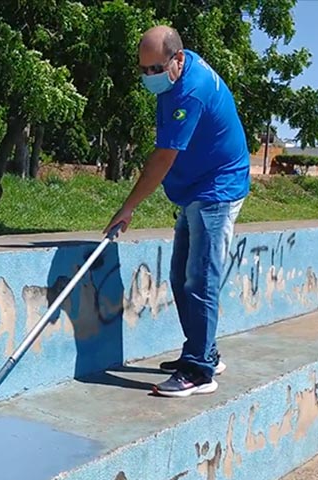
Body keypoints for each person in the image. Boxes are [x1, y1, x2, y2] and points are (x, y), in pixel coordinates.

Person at [104, 25, 250, 398]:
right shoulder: (178, 74)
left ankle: (199, 372)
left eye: (155, 68)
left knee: (199, 279)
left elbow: (163, 158)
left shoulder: (191, 91)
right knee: (182, 274)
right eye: (143, 70)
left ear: (177, 59)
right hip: (197, 188)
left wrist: (128, 207)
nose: (148, 77)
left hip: (217, 189)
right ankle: (205, 352)